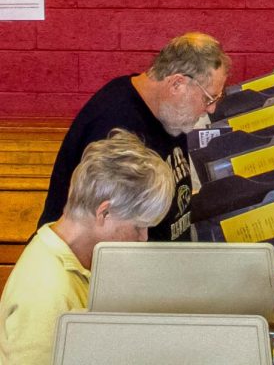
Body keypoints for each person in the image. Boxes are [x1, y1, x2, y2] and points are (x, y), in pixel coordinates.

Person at [0, 129, 176, 364]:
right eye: (138, 226)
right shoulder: (48, 296)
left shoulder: (66, 246)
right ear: (104, 212)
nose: (143, 237)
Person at [37, 32, 231, 241]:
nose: (211, 109)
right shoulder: (114, 127)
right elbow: (107, 237)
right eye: (209, 97)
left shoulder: (171, 113)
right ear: (177, 84)